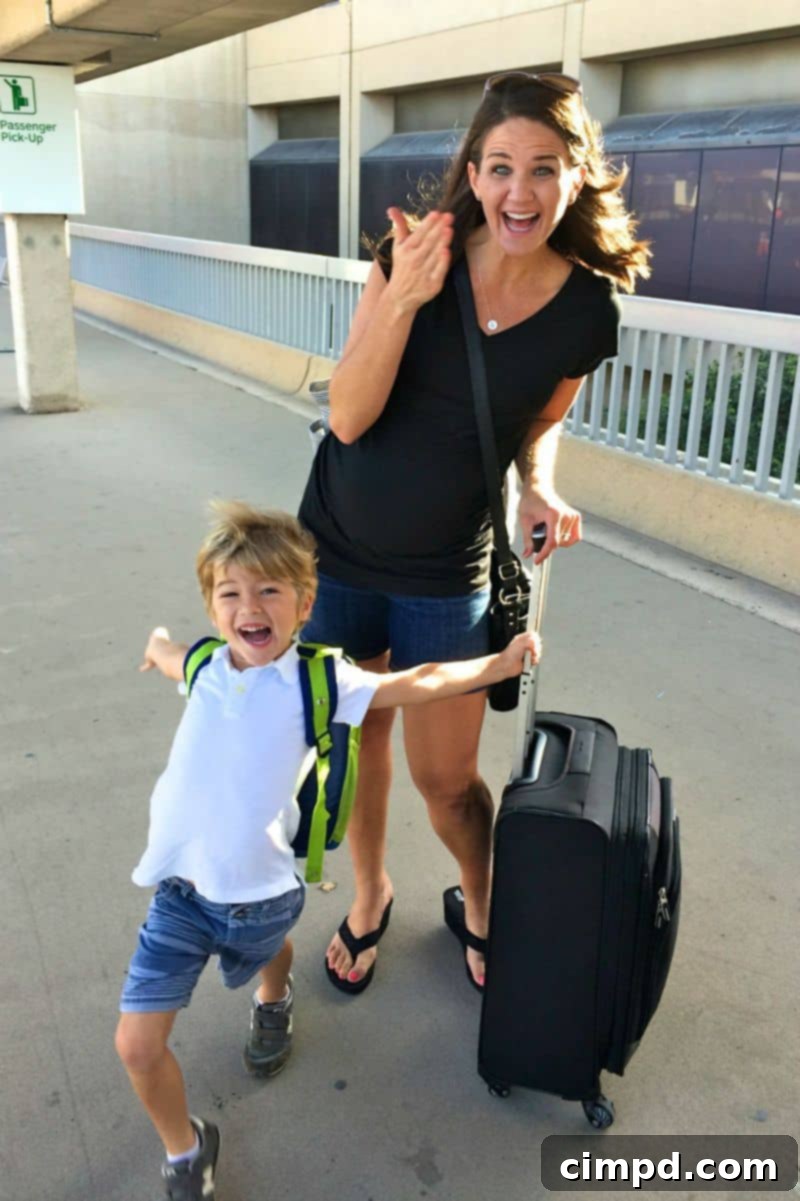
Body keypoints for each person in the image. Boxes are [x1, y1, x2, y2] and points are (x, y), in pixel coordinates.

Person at [299, 71, 650, 994]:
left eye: (542, 168)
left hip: (446, 567)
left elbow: (537, 419)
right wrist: (407, 294)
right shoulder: (412, 254)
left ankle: (481, 894)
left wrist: (538, 487)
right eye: (499, 167)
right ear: (474, 170)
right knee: (355, 737)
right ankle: (370, 892)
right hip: (336, 544)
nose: (518, 192)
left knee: (447, 781)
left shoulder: (586, 309)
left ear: (579, 175)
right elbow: (346, 413)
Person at [114, 500, 539, 1201]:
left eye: (269, 590)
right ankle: (186, 1150)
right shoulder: (205, 664)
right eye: (230, 593)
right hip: (181, 896)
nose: (249, 606)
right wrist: (157, 642)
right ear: (212, 606)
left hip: (261, 896)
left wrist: (497, 661)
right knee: (135, 1044)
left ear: (306, 602)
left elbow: (419, 681)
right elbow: (168, 661)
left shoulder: (322, 680)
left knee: (266, 947)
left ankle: (273, 994)